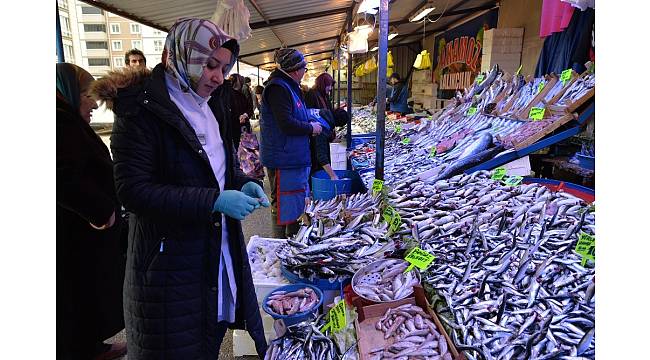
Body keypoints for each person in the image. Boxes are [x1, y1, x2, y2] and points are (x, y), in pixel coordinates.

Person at [91, 18, 270, 359]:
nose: (218, 77)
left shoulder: (212, 104)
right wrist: (213, 200)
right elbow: (133, 191)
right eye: (209, 65)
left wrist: (242, 183)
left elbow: (220, 168)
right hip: (168, 275)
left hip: (215, 261)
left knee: (208, 343)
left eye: (223, 67)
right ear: (180, 56)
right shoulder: (140, 110)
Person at [57, 63, 127, 360]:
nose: (93, 105)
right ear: (70, 92)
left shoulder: (66, 118)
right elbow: (61, 176)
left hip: (83, 229)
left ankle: (91, 345)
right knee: (73, 293)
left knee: (86, 291)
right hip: (74, 230)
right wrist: (99, 211)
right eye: (88, 96)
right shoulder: (56, 122)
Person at [260, 48, 323, 238]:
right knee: (282, 204)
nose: (305, 72)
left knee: (294, 203)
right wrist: (311, 128)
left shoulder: (289, 86)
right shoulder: (278, 88)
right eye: (304, 67)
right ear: (296, 69)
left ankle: (292, 240)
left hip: (292, 157)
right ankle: (279, 247)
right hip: (283, 159)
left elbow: (294, 115)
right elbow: (286, 123)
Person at [304, 73, 349, 180]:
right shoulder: (312, 95)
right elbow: (321, 156)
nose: (330, 89)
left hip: (321, 129)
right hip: (314, 134)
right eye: (328, 86)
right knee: (317, 160)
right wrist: (333, 175)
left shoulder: (324, 96)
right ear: (322, 84)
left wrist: (331, 136)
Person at [228, 73, 253, 149]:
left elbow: (249, 108)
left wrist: (244, 115)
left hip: (241, 127)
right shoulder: (227, 95)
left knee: (243, 151)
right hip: (234, 128)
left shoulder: (240, 94)